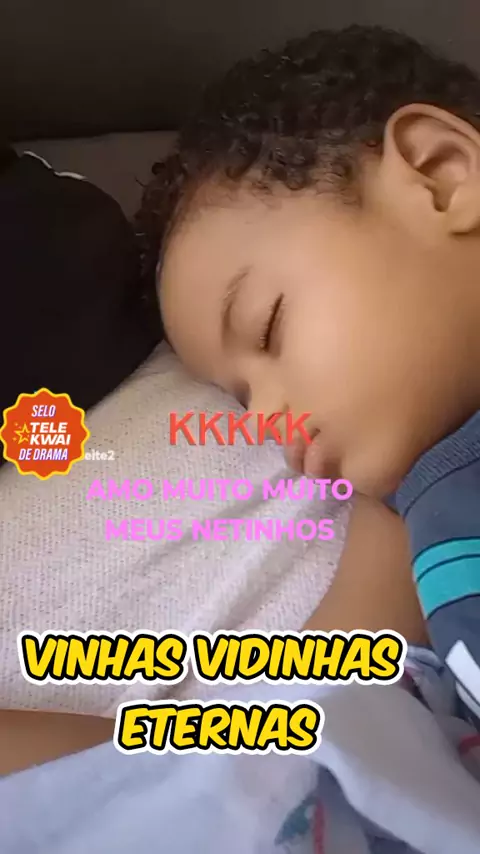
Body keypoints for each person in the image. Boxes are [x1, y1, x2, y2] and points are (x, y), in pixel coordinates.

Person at [137, 25, 480, 725]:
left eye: (267, 326)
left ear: (443, 177)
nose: (263, 421)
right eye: (239, 398)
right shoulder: (408, 502)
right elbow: (291, 719)